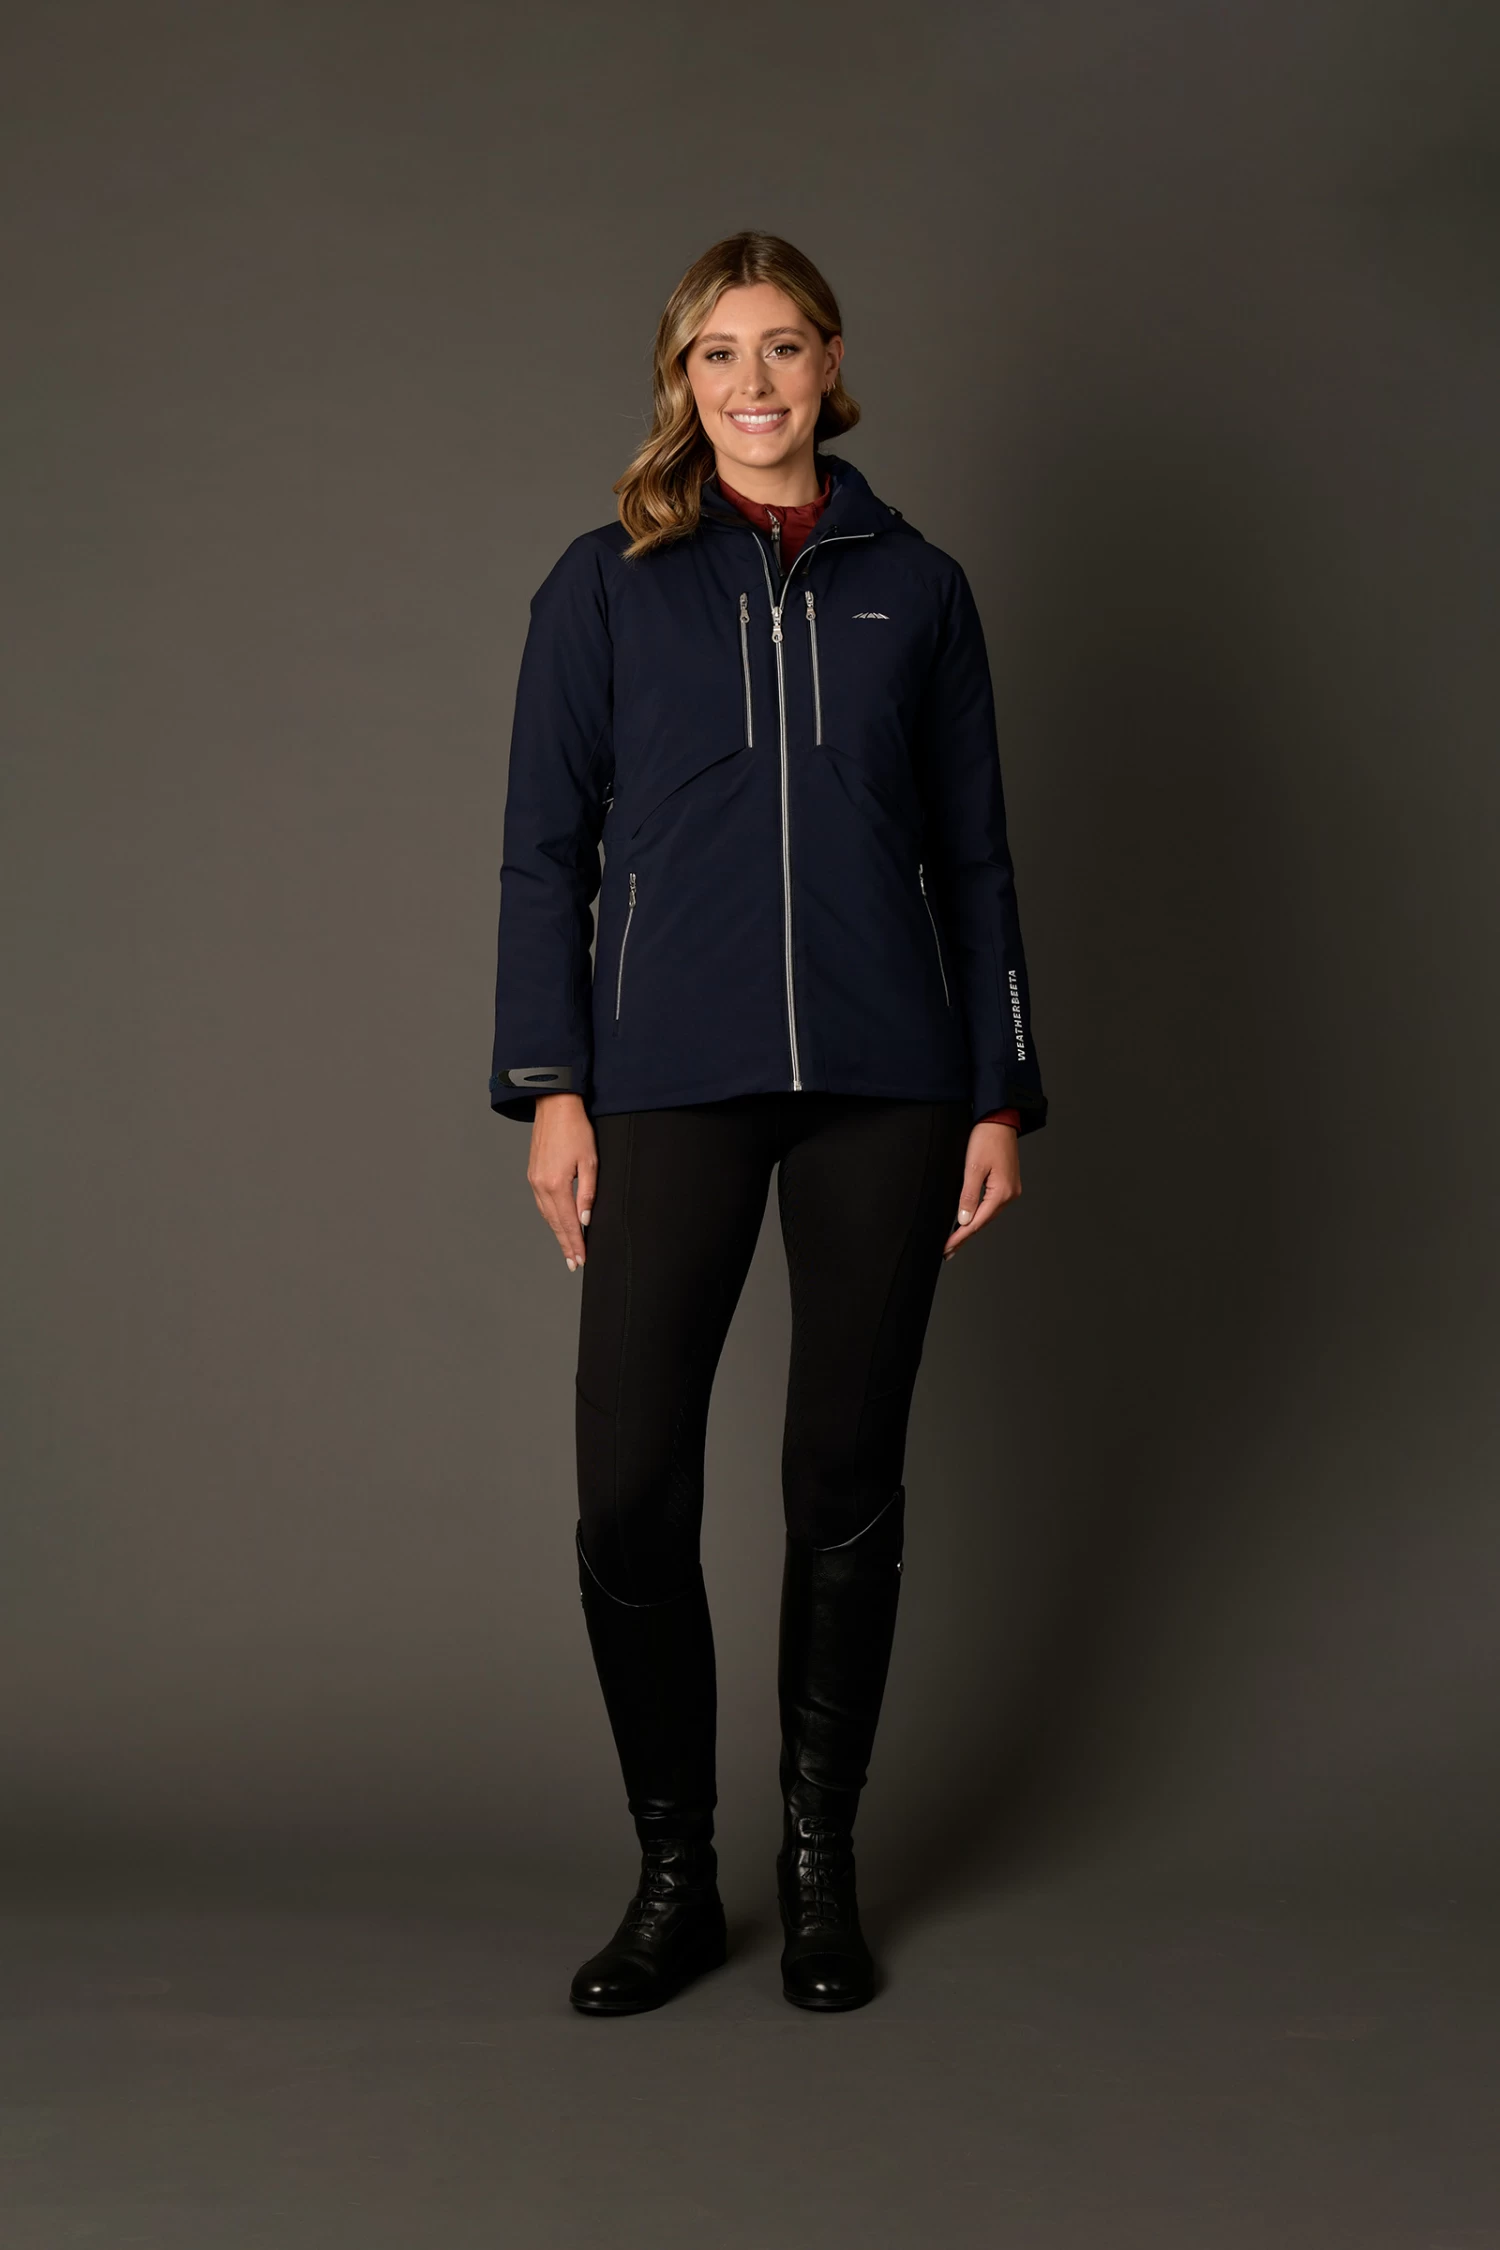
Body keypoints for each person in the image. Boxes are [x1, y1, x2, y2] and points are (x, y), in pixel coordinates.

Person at [489, 231, 1047, 2015]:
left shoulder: (921, 589)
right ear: (682, 376)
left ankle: (821, 1864)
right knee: (630, 1487)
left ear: (831, 368)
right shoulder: (607, 587)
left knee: (843, 1480)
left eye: (785, 346)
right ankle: (676, 1872)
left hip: (892, 1082)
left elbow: (975, 854)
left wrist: (998, 1087)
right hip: (667, 1080)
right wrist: (552, 1083)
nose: (754, 381)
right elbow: (543, 853)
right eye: (719, 351)